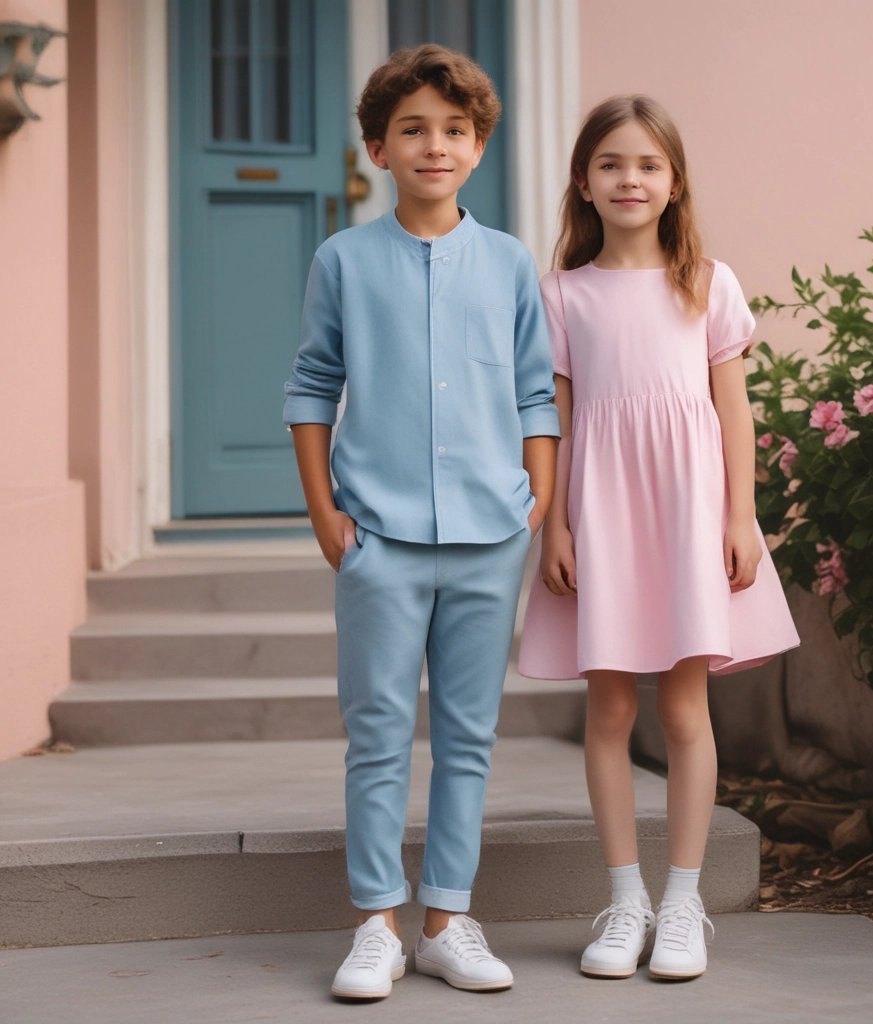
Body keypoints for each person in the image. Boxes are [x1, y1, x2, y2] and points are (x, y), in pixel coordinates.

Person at [283, 44, 559, 1000]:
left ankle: (447, 921)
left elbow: (536, 393)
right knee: (378, 734)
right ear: (378, 149)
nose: (434, 146)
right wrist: (325, 514)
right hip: (379, 539)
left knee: (469, 737)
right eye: (413, 130)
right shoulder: (342, 261)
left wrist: (534, 501)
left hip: (491, 536)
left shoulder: (510, 263)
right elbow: (312, 386)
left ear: (478, 147)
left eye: (454, 130)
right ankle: (375, 924)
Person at [518, 95, 799, 982]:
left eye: (647, 164)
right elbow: (556, 421)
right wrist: (555, 525)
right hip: (600, 514)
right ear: (583, 182)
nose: (629, 179)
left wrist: (740, 516)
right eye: (611, 164)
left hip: (687, 515)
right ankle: (625, 899)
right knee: (608, 713)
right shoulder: (562, 294)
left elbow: (733, 412)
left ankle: (682, 902)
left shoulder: (708, 283)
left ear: (674, 182)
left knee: (683, 711)